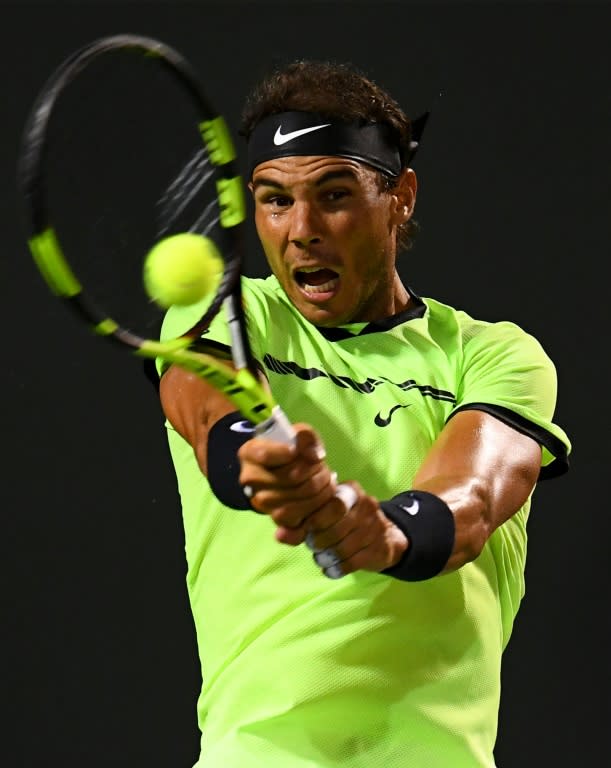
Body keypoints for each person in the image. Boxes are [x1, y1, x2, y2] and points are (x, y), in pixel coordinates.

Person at [157, 59, 571, 768]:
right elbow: (205, 407)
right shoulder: (225, 313)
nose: (301, 229)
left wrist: (384, 533)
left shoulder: (494, 355)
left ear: (399, 196)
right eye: (273, 199)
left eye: (334, 193)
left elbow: (469, 500)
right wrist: (250, 456)